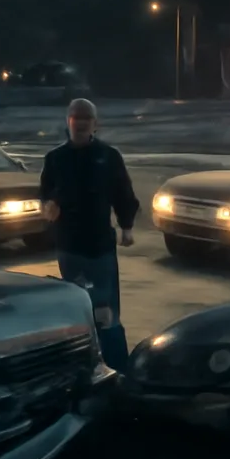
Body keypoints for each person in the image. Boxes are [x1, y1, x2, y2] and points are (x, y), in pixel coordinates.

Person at [39, 98, 139, 332]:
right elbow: (44, 193)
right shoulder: (55, 158)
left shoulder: (108, 156)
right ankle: (82, 344)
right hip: (69, 244)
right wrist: (47, 206)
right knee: (77, 301)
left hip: (100, 244)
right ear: (68, 122)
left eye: (87, 118)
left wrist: (127, 227)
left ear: (96, 123)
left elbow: (123, 193)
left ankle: (111, 351)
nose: (81, 123)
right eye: (77, 117)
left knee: (105, 306)